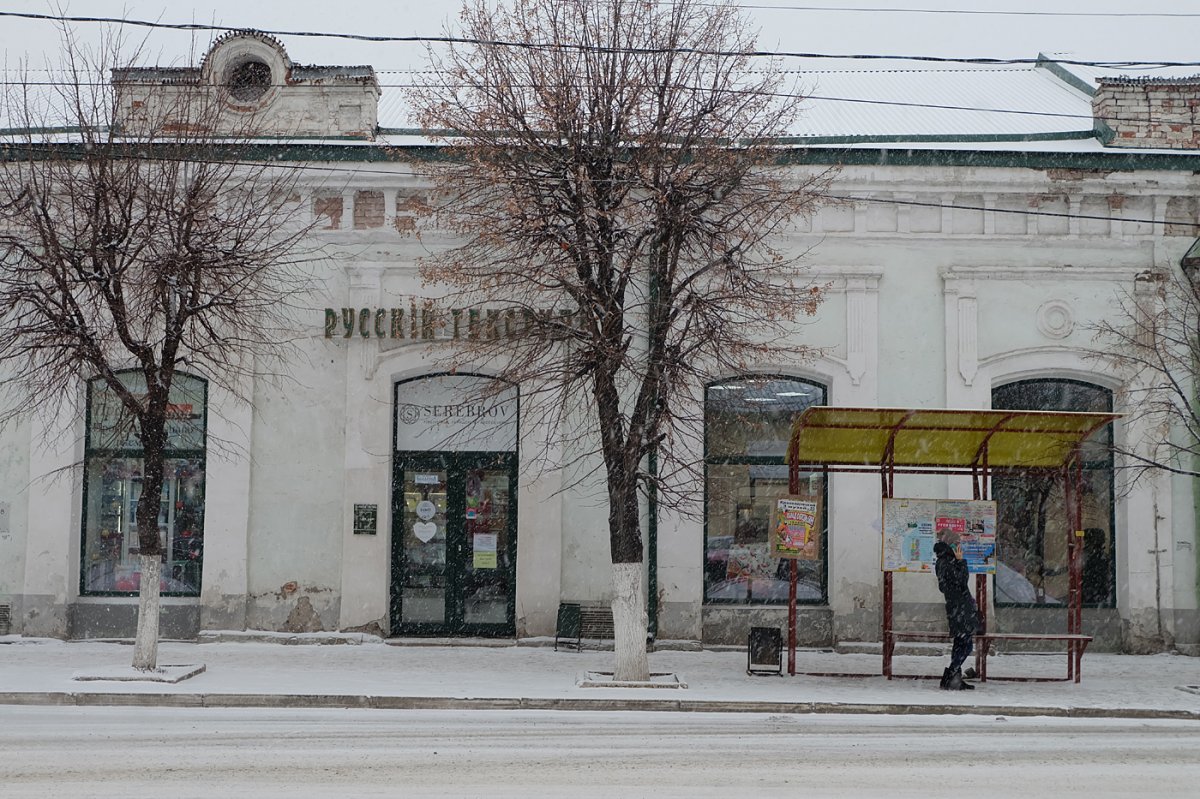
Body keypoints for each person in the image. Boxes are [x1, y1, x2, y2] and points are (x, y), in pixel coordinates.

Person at [934, 537, 979, 690]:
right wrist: (961, 561)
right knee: (966, 645)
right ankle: (951, 675)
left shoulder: (941, 562)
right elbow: (962, 579)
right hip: (960, 609)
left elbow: (946, 586)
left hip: (955, 608)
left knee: (960, 643)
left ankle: (955, 678)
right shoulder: (949, 562)